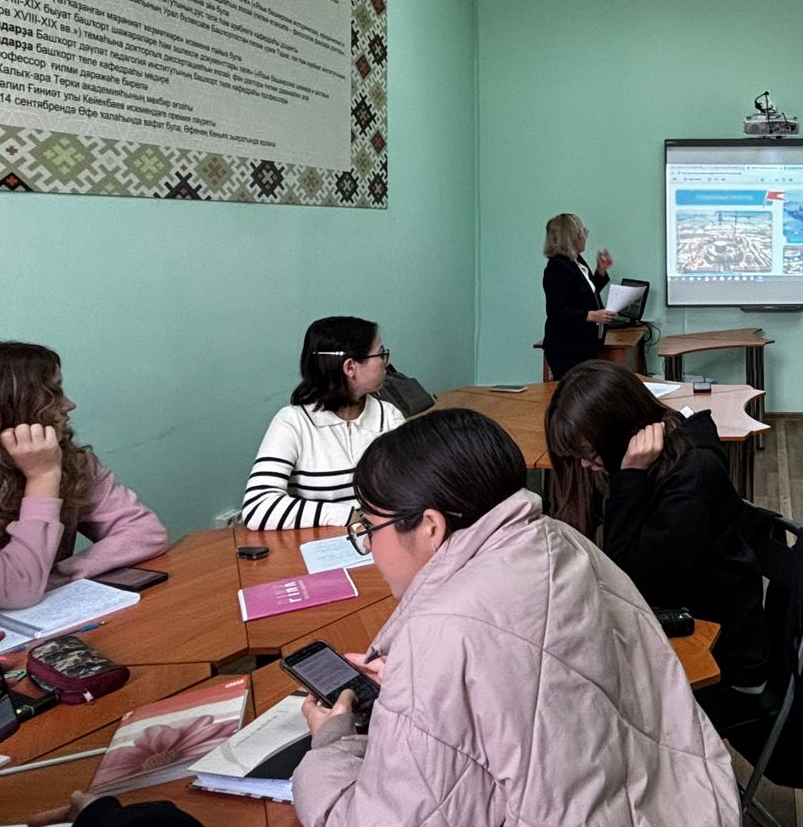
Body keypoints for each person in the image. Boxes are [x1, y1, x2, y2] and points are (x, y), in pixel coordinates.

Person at [291, 409, 740, 827]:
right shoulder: (560, 539)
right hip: (682, 798)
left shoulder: (441, 634)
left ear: (430, 526)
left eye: (369, 528)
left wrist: (334, 741)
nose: (369, 548)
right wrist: (424, 692)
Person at [544, 359, 768, 728]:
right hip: (678, 627)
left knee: (580, 707)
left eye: (590, 453)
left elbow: (631, 584)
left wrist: (628, 478)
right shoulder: (664, 455)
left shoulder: (691, 476)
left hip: (722, 663)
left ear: (620, 431)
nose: (584, 465)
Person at [0, 341, 168, 610]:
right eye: (53, 392)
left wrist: (58, 577)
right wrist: (42, 477)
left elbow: (146, 532)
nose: (69, 405)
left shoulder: (68, 460)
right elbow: (17, 590)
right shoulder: (48, 467)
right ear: (11, 408)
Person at [241, 318, 402, 530]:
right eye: (380, 354)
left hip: (384, 542)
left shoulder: (389, 417)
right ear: (350, 367)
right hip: (324, 544)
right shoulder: (293, 422)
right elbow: (257, 507)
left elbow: (416, 489)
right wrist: (347, 516)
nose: (385, 362)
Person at [542, 212, 614, 380]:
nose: (585, 237)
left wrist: (601, 271)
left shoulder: (576, 261)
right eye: (583, 233)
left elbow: (584, 293)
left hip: (583, 343)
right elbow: (556, 311)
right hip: (567, 347)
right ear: (572, 238)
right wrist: (592, 315)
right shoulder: (557, 268)